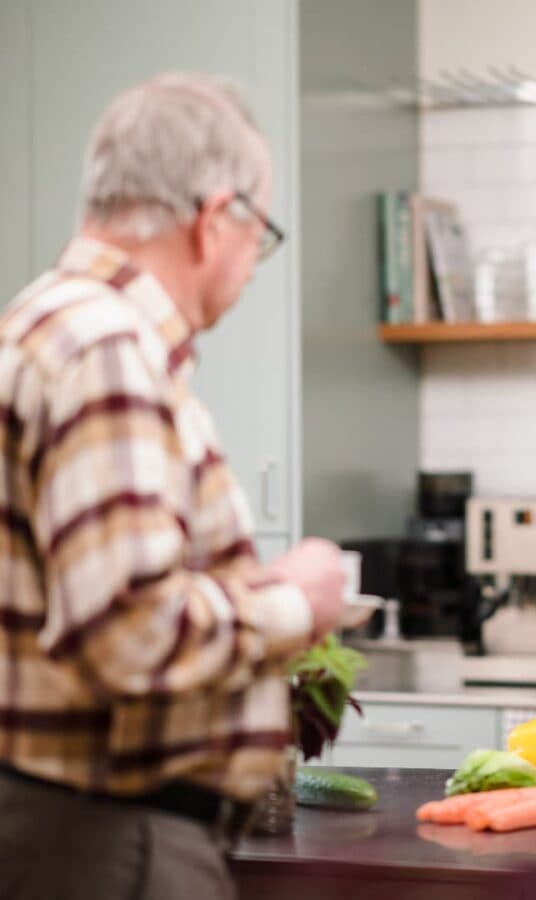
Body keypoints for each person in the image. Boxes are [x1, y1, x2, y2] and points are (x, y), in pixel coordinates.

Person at [0, 73, 348, 899]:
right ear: (212, 218)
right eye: (257, 231)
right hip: (110, 841)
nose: (252, 265)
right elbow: (128, 628)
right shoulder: (108, 351)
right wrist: (295, 600)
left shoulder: (41, 321)